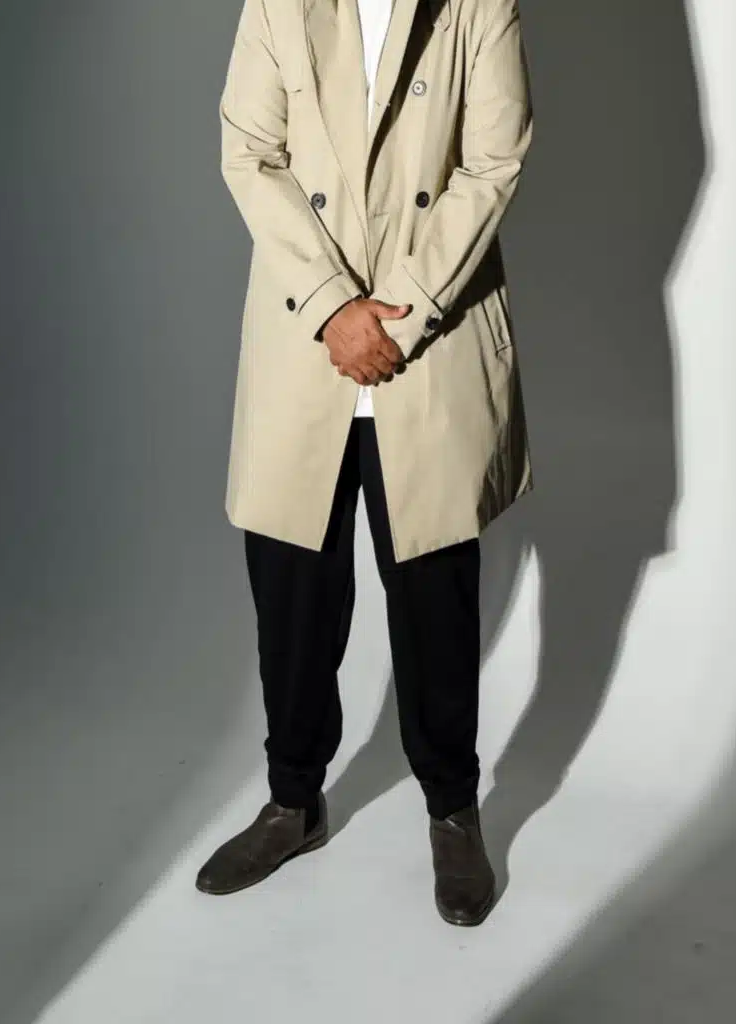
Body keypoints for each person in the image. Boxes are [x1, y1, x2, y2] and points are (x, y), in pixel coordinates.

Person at [195, 0, 535, 927]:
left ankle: (453, 810)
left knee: (435, 593)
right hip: (306, 334)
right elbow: (249, 152)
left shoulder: (478, 4)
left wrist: (403, 312)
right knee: (291, 594)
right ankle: (292, 802)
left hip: (430, 339)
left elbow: (493, 160)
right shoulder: (279, 3)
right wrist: (332, 306)